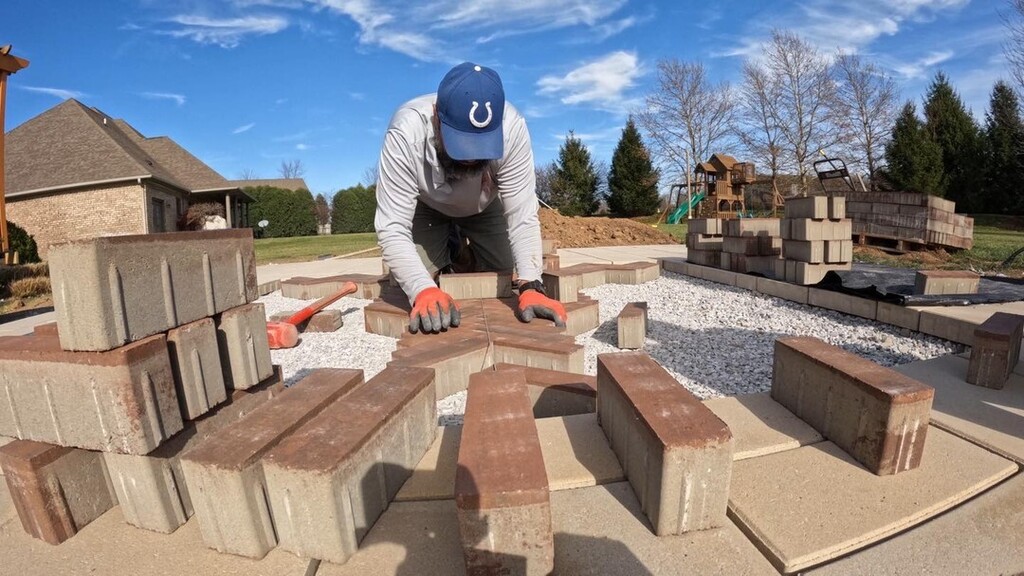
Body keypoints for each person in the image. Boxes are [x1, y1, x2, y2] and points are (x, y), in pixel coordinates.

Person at [375, 61, 567, 334]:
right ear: (436, 116)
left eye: (480, 146)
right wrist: (422, 289)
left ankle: (463, 250)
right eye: (461, 143)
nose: (471, 158)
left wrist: (531, 285)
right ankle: (447, 245)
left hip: (483, 205)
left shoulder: (513, 127)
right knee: (416, 280)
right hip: (428, 207)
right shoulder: (406, 131)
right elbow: (392, 226)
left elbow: (522, 214)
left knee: (503, 273)